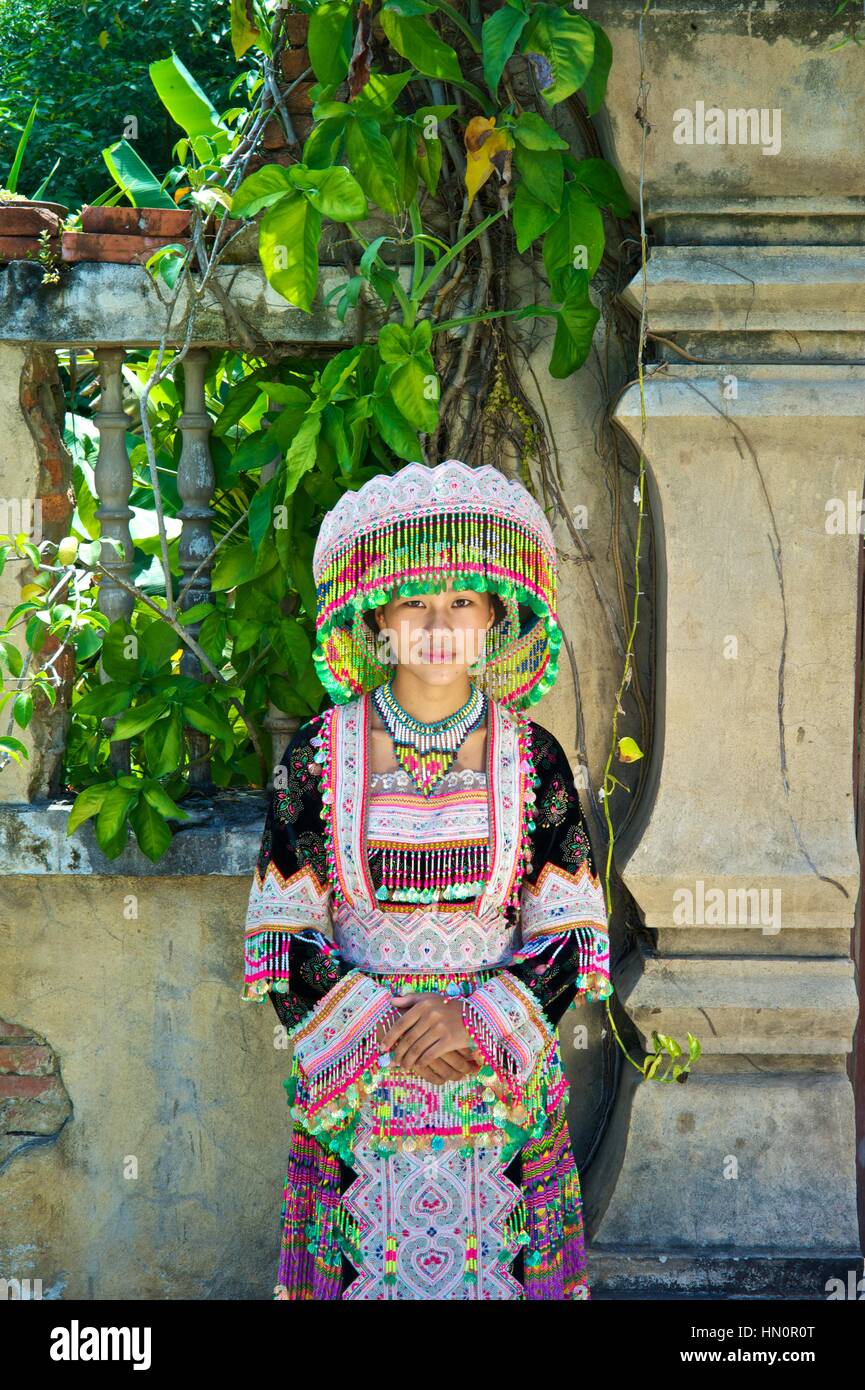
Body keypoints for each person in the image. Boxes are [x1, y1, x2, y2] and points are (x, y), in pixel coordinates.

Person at [242, 458, 613, 1300]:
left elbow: (572, 934)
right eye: (415, 601)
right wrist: (386, 1030)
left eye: (461, 602)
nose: (438, 624)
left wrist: (472, 1020)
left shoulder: (535, 755)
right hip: (359, 1087)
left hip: (499, 1087)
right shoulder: (315, 754)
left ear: (493, 616)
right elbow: (279, 935)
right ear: (377, 617)